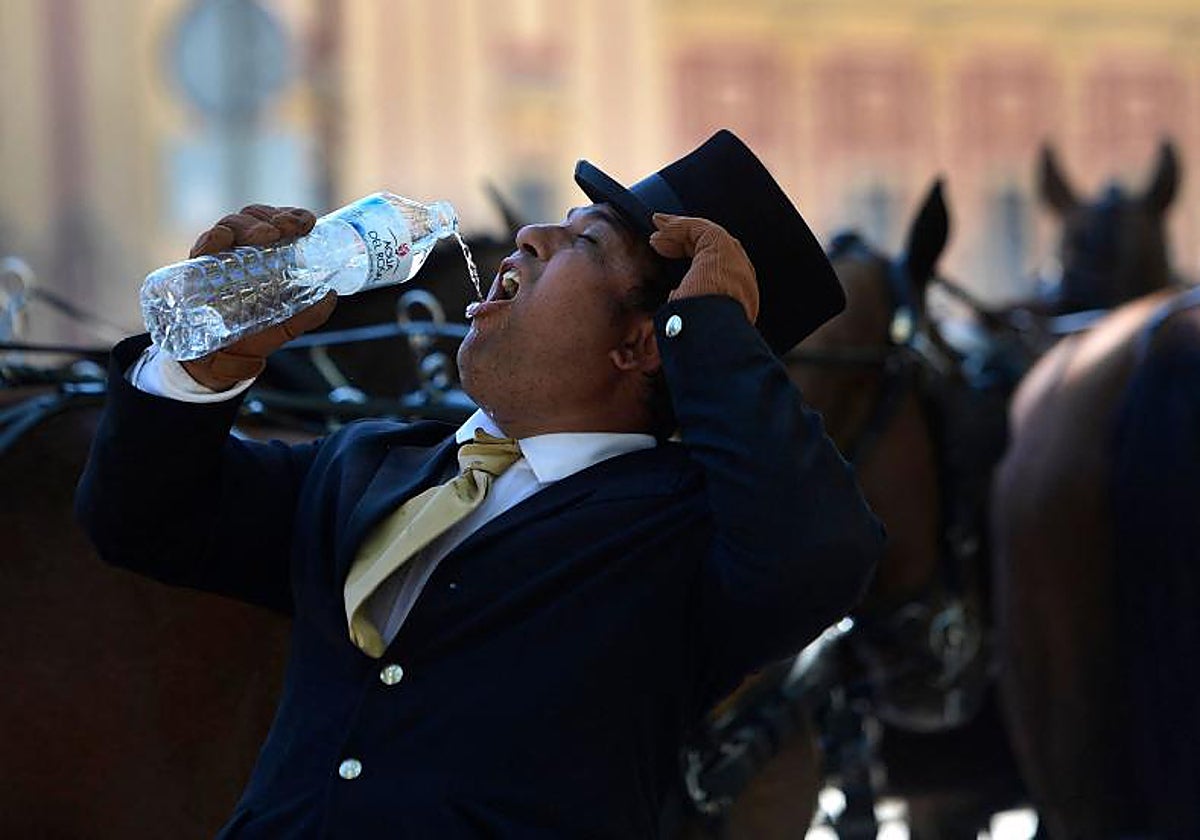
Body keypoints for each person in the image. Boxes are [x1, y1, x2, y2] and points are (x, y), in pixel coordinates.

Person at [77, 129, 882, 838]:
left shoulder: (685, 539)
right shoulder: (366, 463)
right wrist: (200, 367)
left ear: (641, 344)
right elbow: (139, 519)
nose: (528, 236)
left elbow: (823, 555)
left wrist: (711, 332)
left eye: (585, 242)